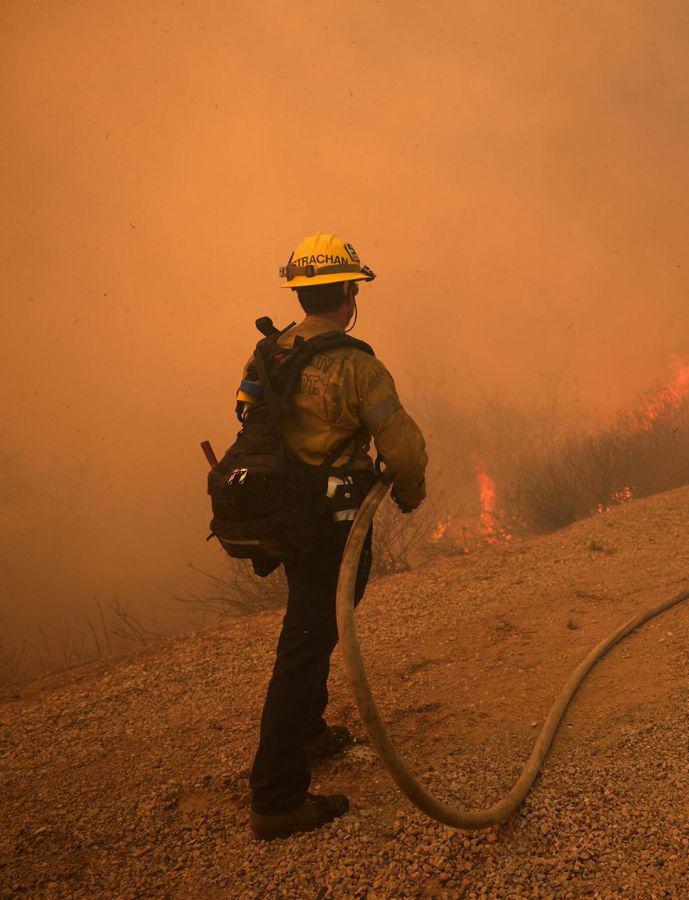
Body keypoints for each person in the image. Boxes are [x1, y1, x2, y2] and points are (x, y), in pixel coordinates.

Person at [237, 233, 428, 840]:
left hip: (284, 519)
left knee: (314, 624)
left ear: (299, 293)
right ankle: (277, 797)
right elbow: (403, 447)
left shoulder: (267, 354)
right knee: (306, 640)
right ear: (348, 293)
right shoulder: (357, 366)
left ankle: (310, 733)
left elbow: (248, 416)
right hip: (332, 526)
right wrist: (409, 492)